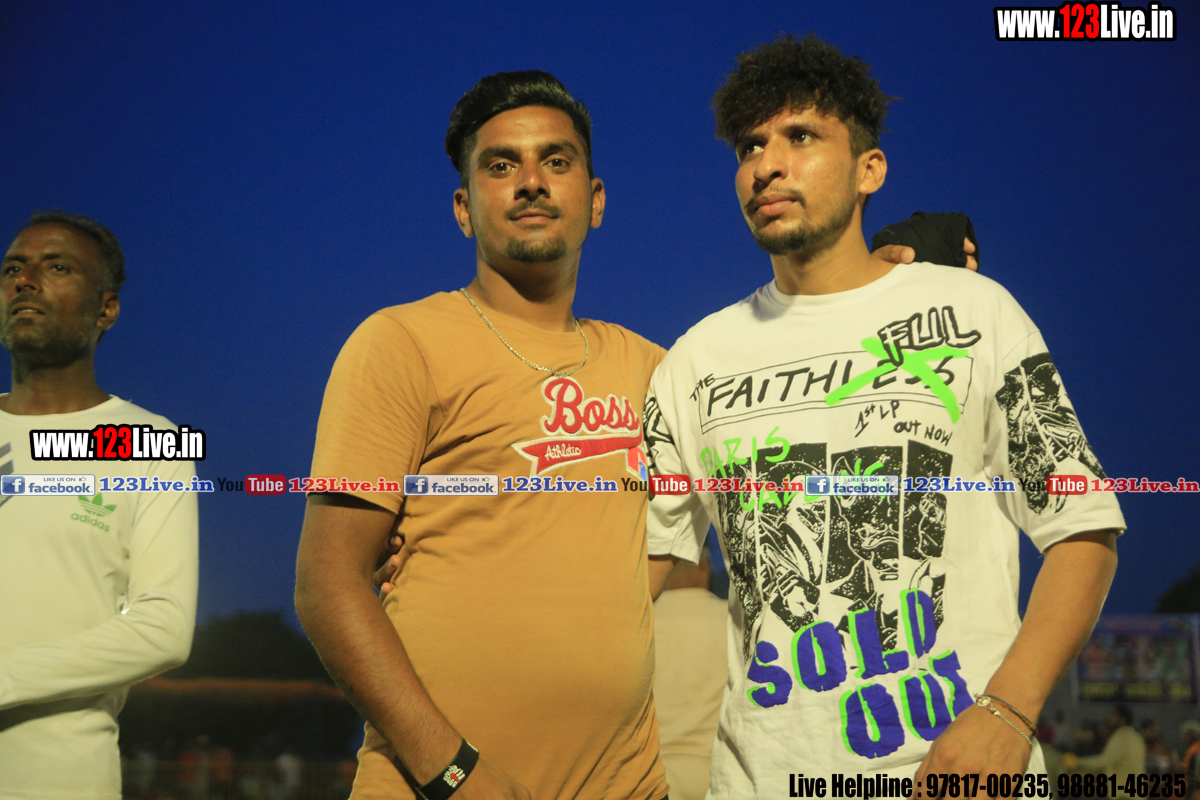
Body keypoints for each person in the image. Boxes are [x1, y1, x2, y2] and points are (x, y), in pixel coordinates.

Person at [297, 69, 978, 800]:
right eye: (500, 166)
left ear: (595, 201)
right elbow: (328, 584)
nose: (531, 182)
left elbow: (807, 376)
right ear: (464, 208)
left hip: (624, 783)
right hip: (436, 786)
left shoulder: (662, 372)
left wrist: (901, 259)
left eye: (556, 161)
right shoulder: (401, 343)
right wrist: (453, 772)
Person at [643, 34, 1123, 794]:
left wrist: (1007, 712)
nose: (767, 164)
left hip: (961, 772)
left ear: (870, 169)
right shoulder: (694, 361)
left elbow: (1083, 529)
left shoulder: (974, 312)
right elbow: (643, 571)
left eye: (801, 137)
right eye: (751, 145)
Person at [0, 211, 198, 798]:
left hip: (58, 778)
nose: (24, 281)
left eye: (57, 267)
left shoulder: (150, 443)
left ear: (106, 309)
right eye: (13, 268)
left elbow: (163, 628)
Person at [652, 544, 728, 800]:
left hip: (658, 775)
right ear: (706, 571)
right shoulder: (731, 621)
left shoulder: (643, 625)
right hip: (719, 771)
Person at [1063, 705, 1145, 797]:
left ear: (1122, 719)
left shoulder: (1121, 737)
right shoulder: (1136, 737)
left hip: (1124, 795)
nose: (1109, 718)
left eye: (1114, 715)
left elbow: (1103, 761)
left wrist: (1077, 762)